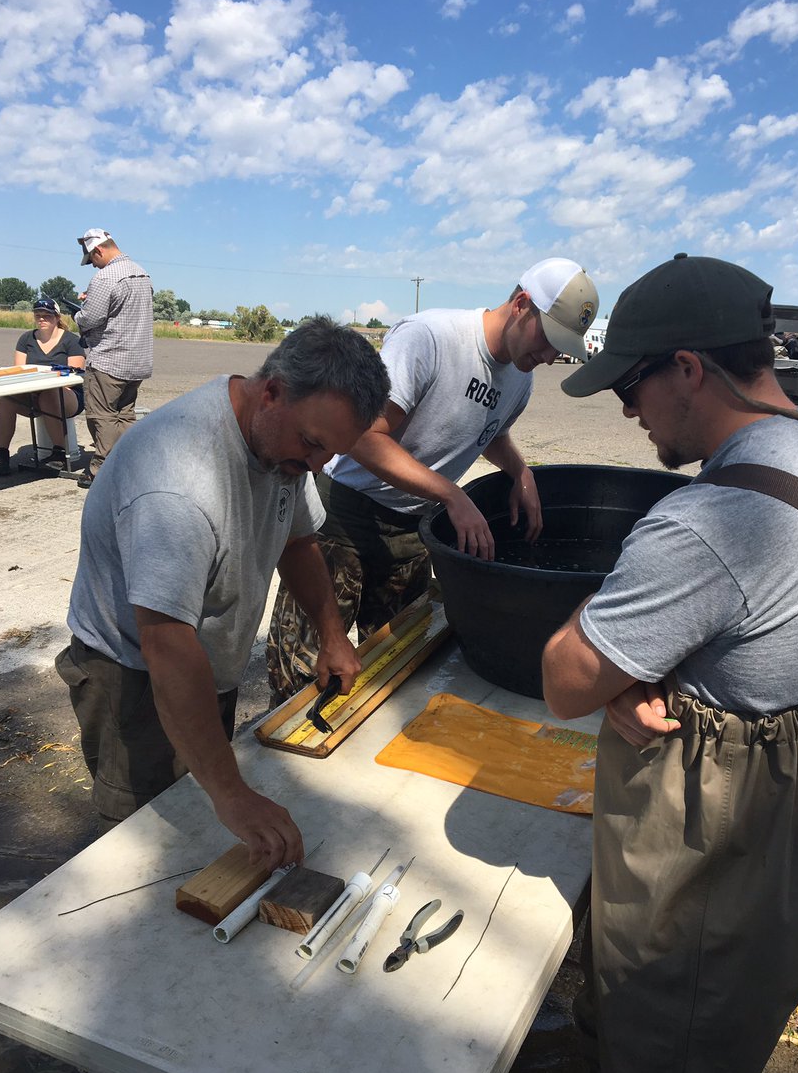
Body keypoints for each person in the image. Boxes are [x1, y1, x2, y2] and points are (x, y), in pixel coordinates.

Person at [541, 253, 798, 1073]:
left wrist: (618, 638)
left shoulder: (711, 522)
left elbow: (568, 679)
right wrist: (659, 666)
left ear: (688, 367)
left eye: (631, 384)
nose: (624, 409)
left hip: (697, 906)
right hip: (765, 890)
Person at [55, 316, 390, 868]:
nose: (315, 465)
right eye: (312, 444)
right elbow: (166, 647)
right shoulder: (177, 482)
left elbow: (299, 543)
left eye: (330, 452)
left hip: (205, 664)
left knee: (210, 821)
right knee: (144, 849)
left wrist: (333, 634)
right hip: (134, 675)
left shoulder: (285, 442)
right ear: (273, 391)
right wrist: (233, 795)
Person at [267, 258, 599, 705]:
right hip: (341, 518)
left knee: (394, 668)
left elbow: (489, 429)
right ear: (522, 304)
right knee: (304, 671)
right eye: (547, 340)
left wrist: (519, 470)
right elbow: (362, 437)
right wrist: (450, 493)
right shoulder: (432, 340)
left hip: (410, 529)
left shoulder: (520, 380)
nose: (548, 357)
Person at [74, 228, 153, 489]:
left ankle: (100, 471)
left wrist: (78, 314)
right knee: (125, 415)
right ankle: (130, 464)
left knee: (102, 416)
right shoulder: (142, 273)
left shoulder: (105, 277)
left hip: (109, 360)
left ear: (98, 250)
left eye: (91, 260)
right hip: (137, 361)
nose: (93, 266)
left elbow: (90, 319)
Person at [0, 297, 85, 476]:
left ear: (57, 317)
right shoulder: (26, 339)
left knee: (50, 394)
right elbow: (20, 370)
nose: (42, 319)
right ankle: (2, 455)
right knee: (5, 400)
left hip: (69, 395)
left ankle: (59, 452)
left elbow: (76, 375)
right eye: (38, 315)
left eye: (47, 315)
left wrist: (50, 379)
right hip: (33, 394)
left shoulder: (71, 341)